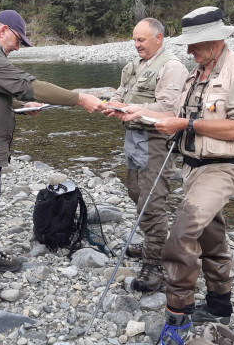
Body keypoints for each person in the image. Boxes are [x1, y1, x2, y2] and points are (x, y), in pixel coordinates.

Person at [112, 6, 234, 344]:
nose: (188, 50)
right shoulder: (196, 72)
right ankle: (219, 305)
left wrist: (184, 124)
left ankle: (177, 316)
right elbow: (175, 112)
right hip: (192, 168)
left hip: (224, 168)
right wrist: (138, 110)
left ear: (215, 39)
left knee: (181, 235)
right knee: (211, 235)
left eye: (195, 44)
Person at [0, 10, 105, 304]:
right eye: (18, 40)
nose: (18, 47)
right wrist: (80, 98)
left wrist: (20, 104)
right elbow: (28, 83)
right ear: (4, 30)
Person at [103, 18, 188, 292]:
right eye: (134, 40)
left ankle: (154, 263)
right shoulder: (133, 65)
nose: (136, 44)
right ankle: (153, 239)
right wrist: (113, 105)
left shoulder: (172, 67)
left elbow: (169, 109)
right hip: (133, 138)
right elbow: (120, 93)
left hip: (156, 141)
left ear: (159, 38)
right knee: (135, 193)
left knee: (151, 201)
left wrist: (130, 107)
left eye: (141, 40)